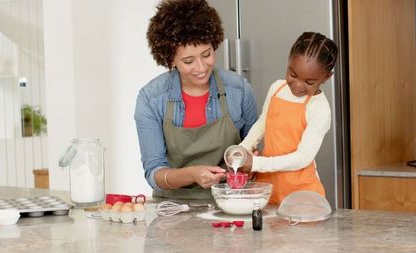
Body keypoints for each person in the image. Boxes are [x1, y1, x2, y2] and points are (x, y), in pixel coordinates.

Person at [135, 0, 258, 200]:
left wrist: (252, 164)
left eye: (207, 54)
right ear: (170, 60)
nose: (201, 68)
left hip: (232, 201)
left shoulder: (239, 90)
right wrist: (192, 174)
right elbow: (153, 173)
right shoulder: (151, 99)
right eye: (188, 61)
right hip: (172, 208)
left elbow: (256, 150)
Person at [239, 32, 339, 205]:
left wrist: (256, 163)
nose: (298, 85)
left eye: (309, 82)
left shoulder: (319, 108)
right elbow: (263, 122)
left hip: (301, 195)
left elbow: (303, 157)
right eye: (293, 75)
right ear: (288, 63)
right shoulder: (277, 88)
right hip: (267, 189)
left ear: (326, 77)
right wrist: (243, 149)